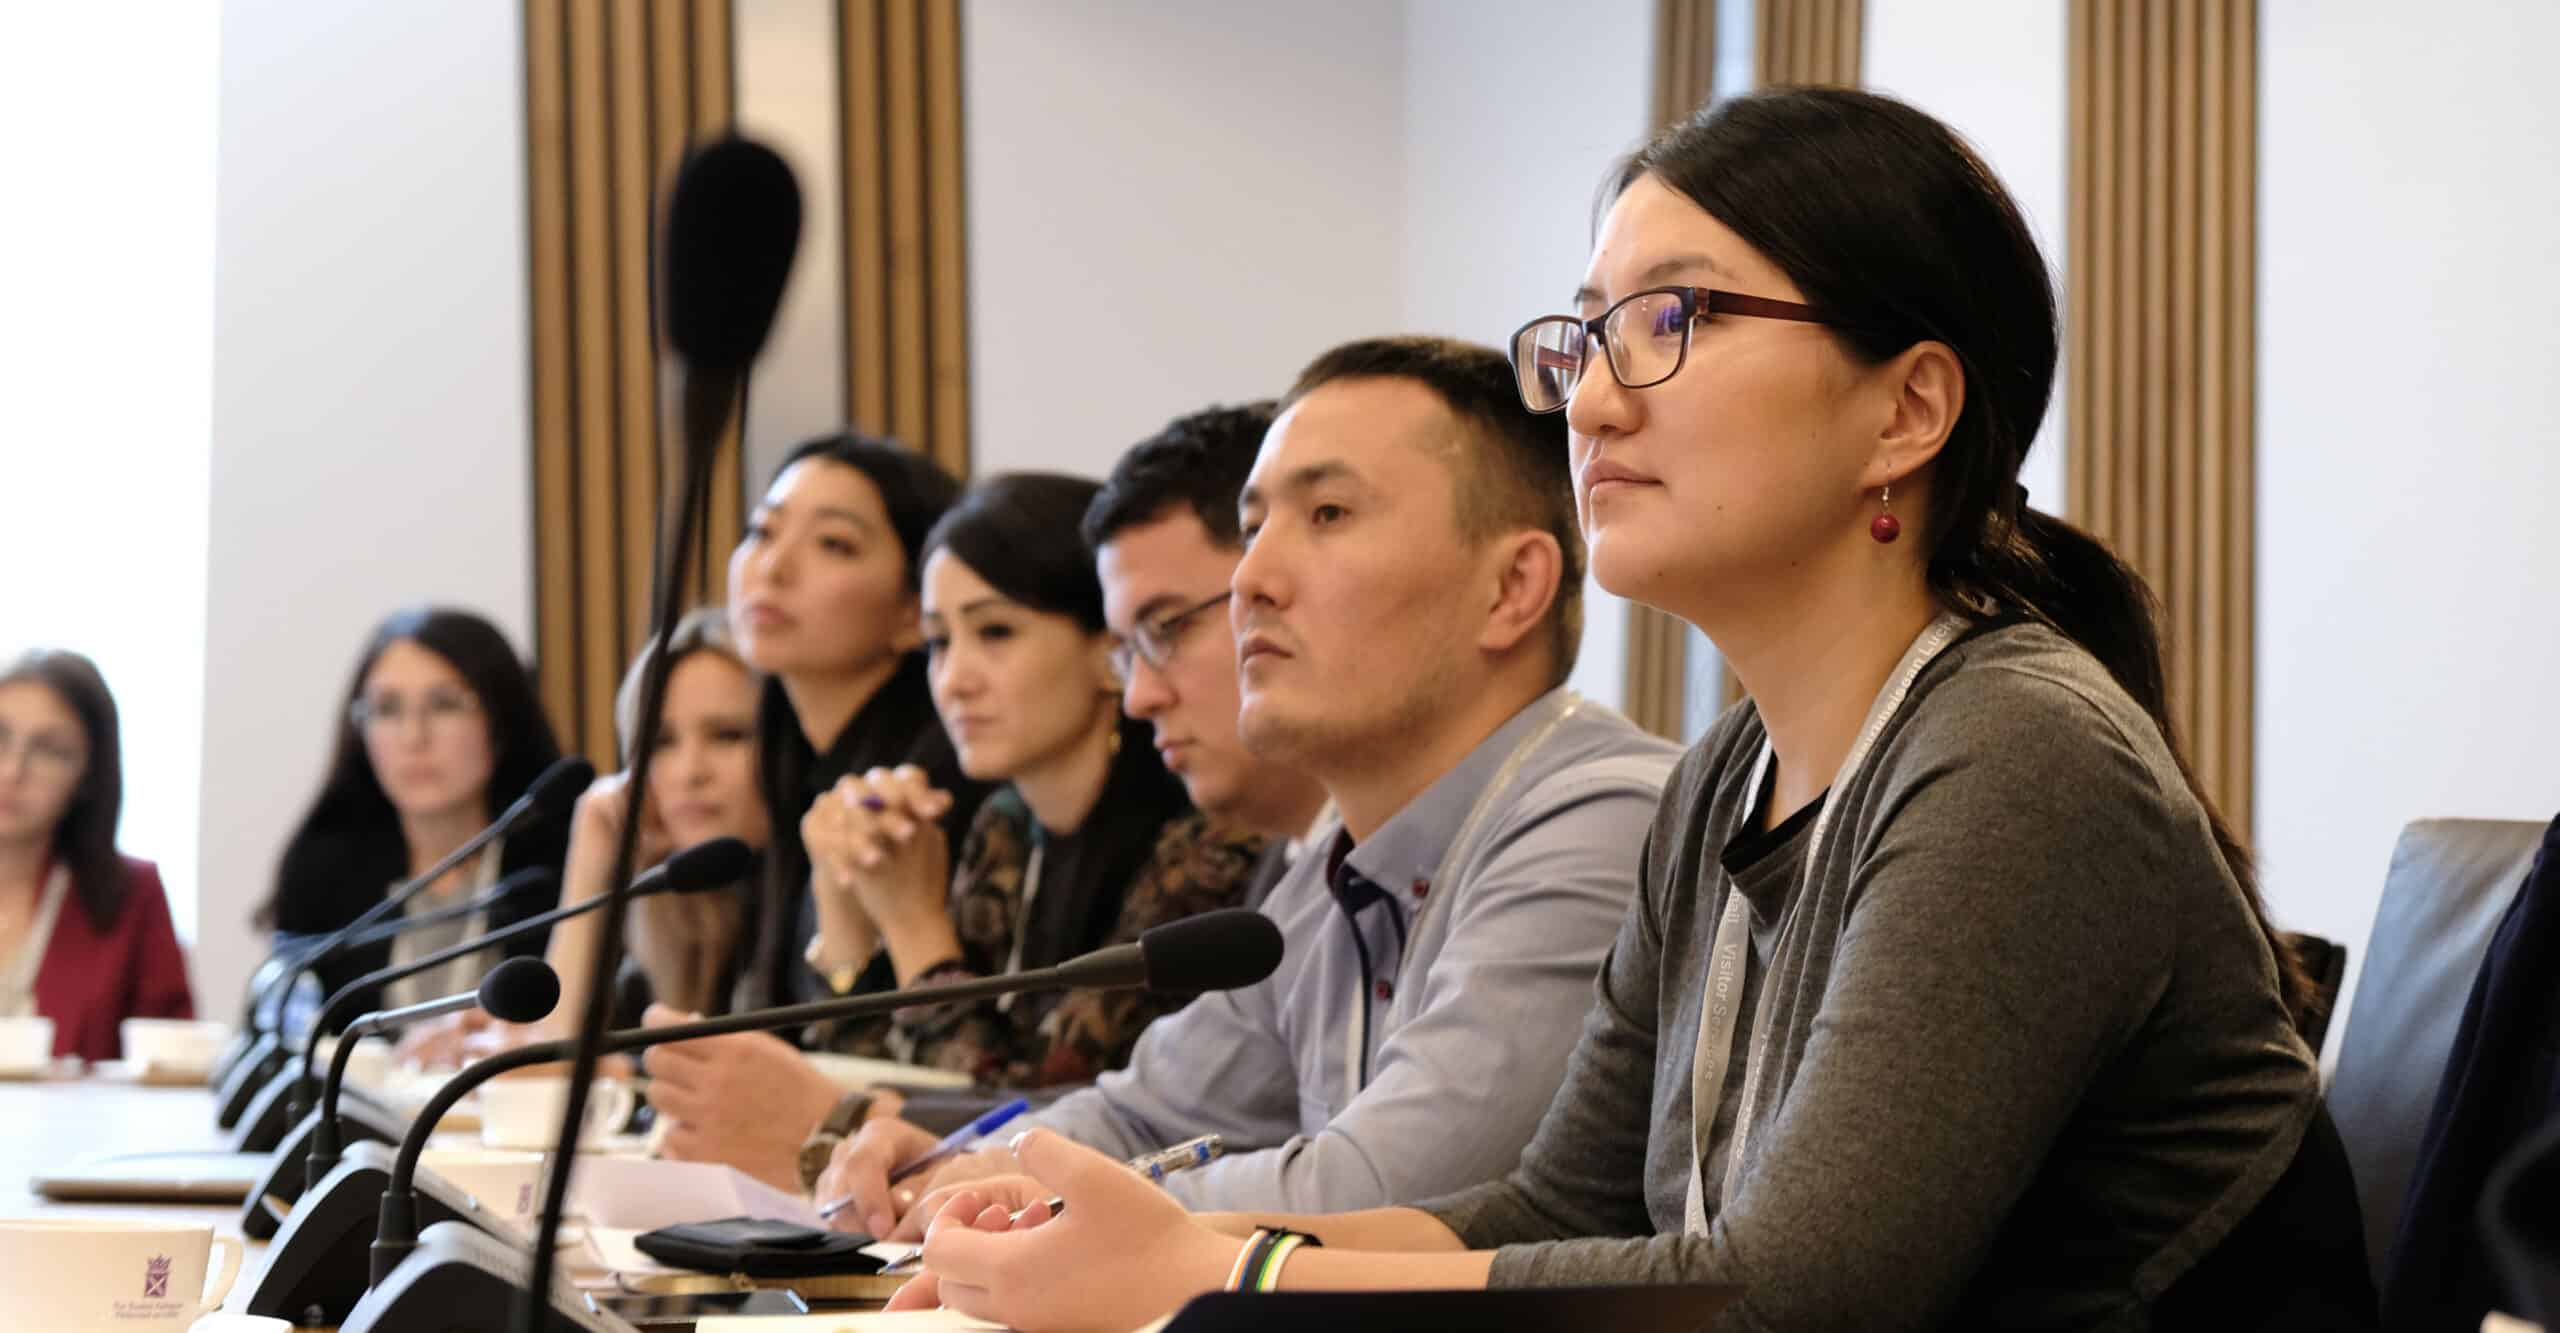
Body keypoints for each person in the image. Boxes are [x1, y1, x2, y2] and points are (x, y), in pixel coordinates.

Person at [880, 89, 2374, 1333]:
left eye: (1675, 318)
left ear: (1907, 411)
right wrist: (1160, 1229)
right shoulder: (1729, 775)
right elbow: (1561, 1211)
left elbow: (1789, 1299)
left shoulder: (2015, 749)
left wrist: (1223, 1265)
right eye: (1584, 335)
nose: (1589, 399)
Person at [817, 336, 1680, 1241]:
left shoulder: (1600, 819)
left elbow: (1383, 1192)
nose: (1251, 580)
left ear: (1512, 588)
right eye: (1256, 525)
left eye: (1330, 513)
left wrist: (1029, 1199)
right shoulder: (1332, 870)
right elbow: (1143, 1114)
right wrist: (968, 1164)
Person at [798, 472, 1259, 1092]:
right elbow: (885, 1093)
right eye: (938, 642)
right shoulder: (1007, 826)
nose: (954, 679)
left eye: (994, 632)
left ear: (1108, 651)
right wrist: (846, 907)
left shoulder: (1207, 838)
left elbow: (1036, 1108)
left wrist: (915, 928)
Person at [631, 435, 997, 1188]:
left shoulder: (925, 792)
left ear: (910, 613)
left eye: (833, 543)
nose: (773, 565)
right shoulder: (796, 769)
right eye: (762, 531)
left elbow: (926, 1084)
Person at [397, 606, 771, 1065]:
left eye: (728, 736)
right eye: (661, 743)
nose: (690, 772)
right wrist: (591, 854)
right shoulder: (668, 915)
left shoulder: (800, 912)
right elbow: (554, 1048)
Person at [256, 608, 568, 1025]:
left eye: (444, 705)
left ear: (502, 721)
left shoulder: (560, 868)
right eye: (387, 709)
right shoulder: (322, 869)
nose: (414, 736)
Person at [1084, 402, 1331, 902]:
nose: (1138, 699)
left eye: (1167, 627)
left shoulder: (1464, 855)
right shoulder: (1286, 871)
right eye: (1127, 652)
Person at [0, 649, 193, 1061]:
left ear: (88, 776)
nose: (12, 771)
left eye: (49, 750)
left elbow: (172, 1065)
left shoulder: (132, 894)